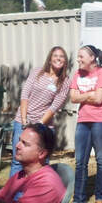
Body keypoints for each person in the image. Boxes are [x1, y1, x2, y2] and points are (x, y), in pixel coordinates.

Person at [67, 45, 102, 203]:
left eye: (81, 56)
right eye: (78, 56)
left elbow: (99, 99)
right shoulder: (77, 74)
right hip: (83, 121)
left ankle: (100, 197)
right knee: (80, 162)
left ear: (92, 58)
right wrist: (89, 95)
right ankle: (78, 200)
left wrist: (83, 96)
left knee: (101, 160)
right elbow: (72, 98)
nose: (78, 59)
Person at [10, 46, 71, 177]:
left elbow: (54, 107)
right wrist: (25, 120)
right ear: (50, 59)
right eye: (55, 55)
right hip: (23, 121)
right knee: (18, 160)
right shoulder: (37, 72)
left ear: (65, 62)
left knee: (41, 161)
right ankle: (13, 196)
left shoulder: (65, 81)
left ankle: (38, 193)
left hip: (44, 125)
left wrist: (39, 125)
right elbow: (25, 95)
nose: (58, 58)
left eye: (62, 56)